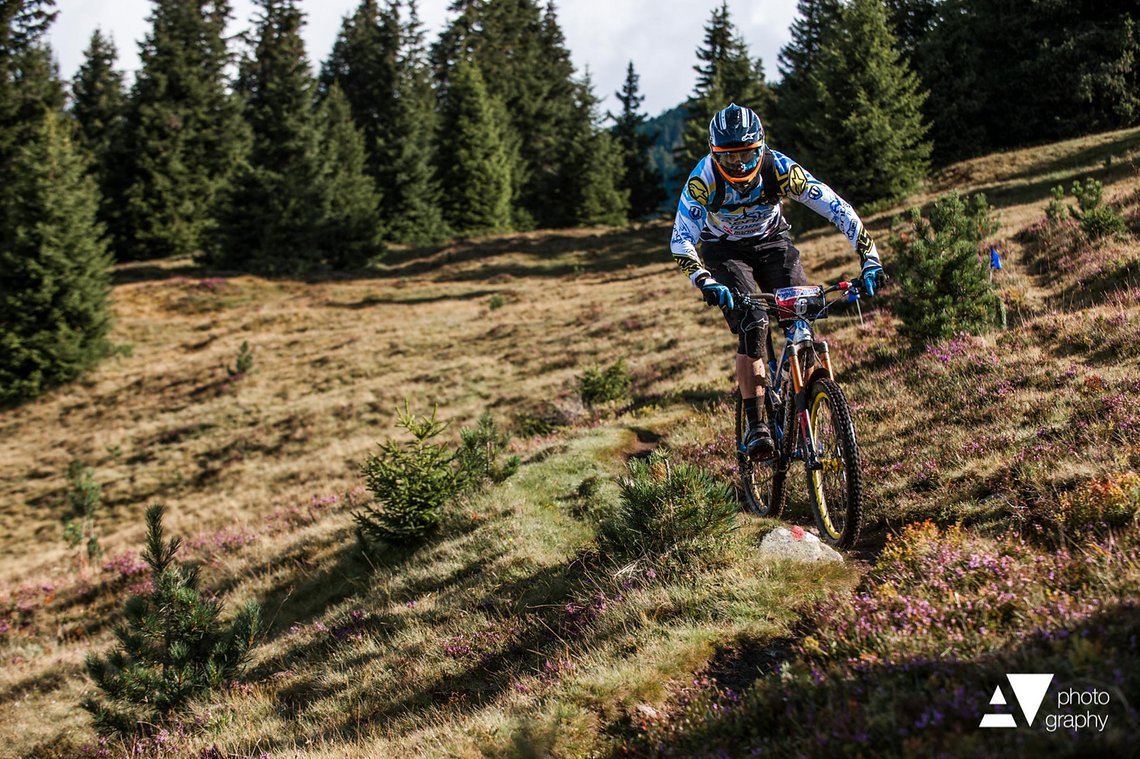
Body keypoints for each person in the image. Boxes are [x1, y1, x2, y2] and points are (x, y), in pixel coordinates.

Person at [670, 102, 884, 460]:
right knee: (753, 322)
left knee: (800, 315)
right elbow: (681, 239)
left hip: (773, 244)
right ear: (713, 154)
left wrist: (870, 258)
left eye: (747, 154)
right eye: (729, 157)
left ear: (762, 148)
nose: (739, 164)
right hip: (724, 252)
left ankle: (807, 401)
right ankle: (757, 425)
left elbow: (837, 207)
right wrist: (705, 280)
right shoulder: (703, 180)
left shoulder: (782, 170)